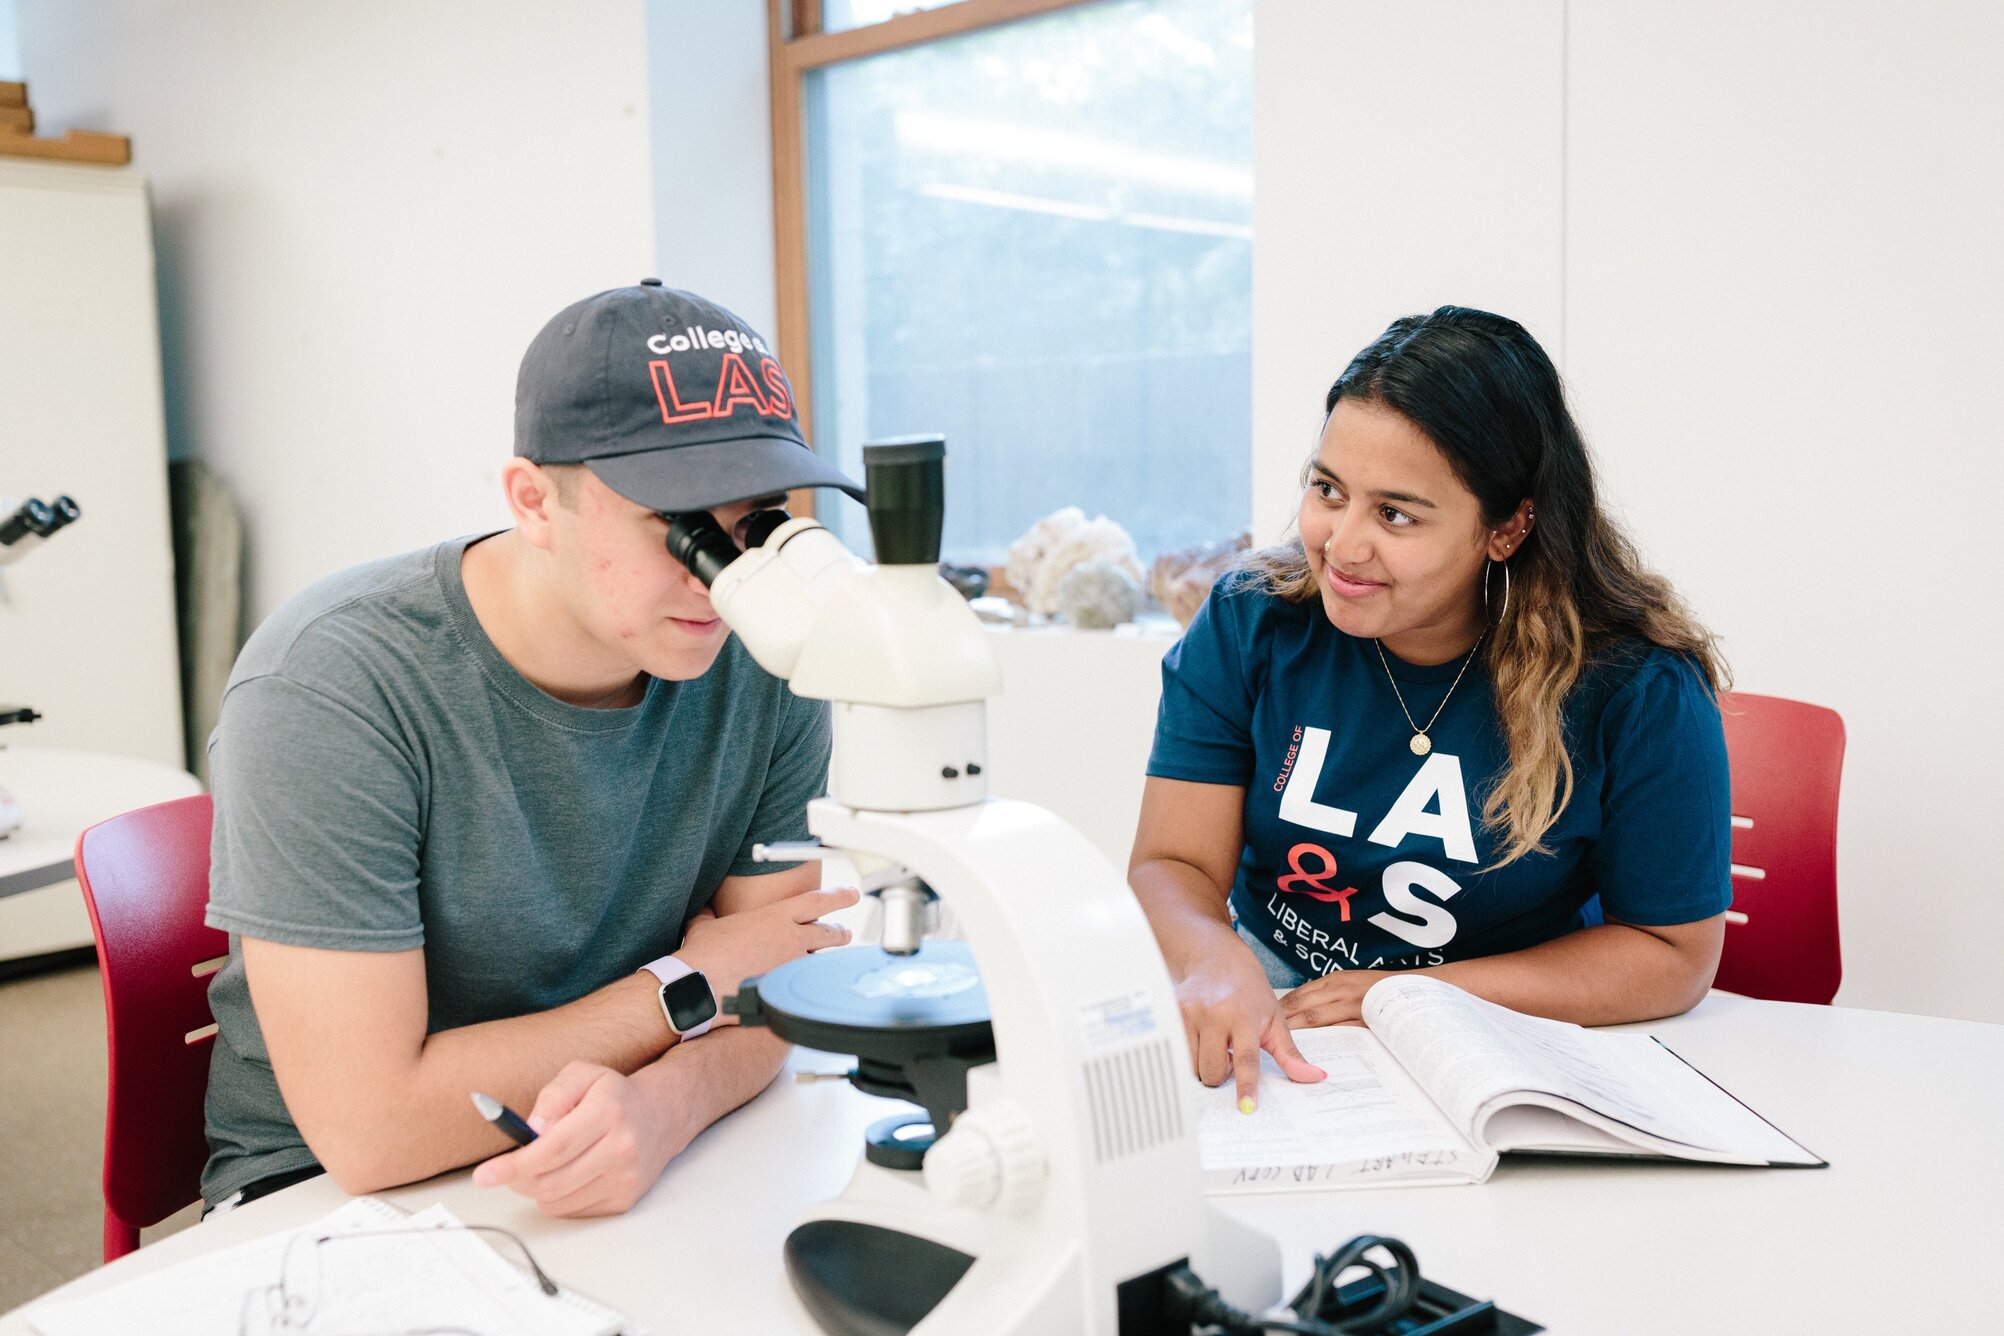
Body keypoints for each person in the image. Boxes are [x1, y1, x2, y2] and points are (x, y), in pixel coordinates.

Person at [200, 281, 865, 1217]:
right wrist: (684, 989)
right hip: (324, 1202)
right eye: (680, 525)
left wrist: (666, 1104)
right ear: (534, 502)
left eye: (756, 522)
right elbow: (373, 1128)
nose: (725, 576)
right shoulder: (333, 686)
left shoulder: (760, 647)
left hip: (631, 1147)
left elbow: (773, 987)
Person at [1130, 306, 1732, 1110]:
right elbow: (1173, 864)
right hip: (1268, 987)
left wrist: (1406, 996)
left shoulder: (1636, 686)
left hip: (1499, 1017)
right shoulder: (1251, 619)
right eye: (1328, 490)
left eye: (1396, 514)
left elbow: (1674, 954)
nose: (1342, 545)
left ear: (1508, 527)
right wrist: (1210, 954)